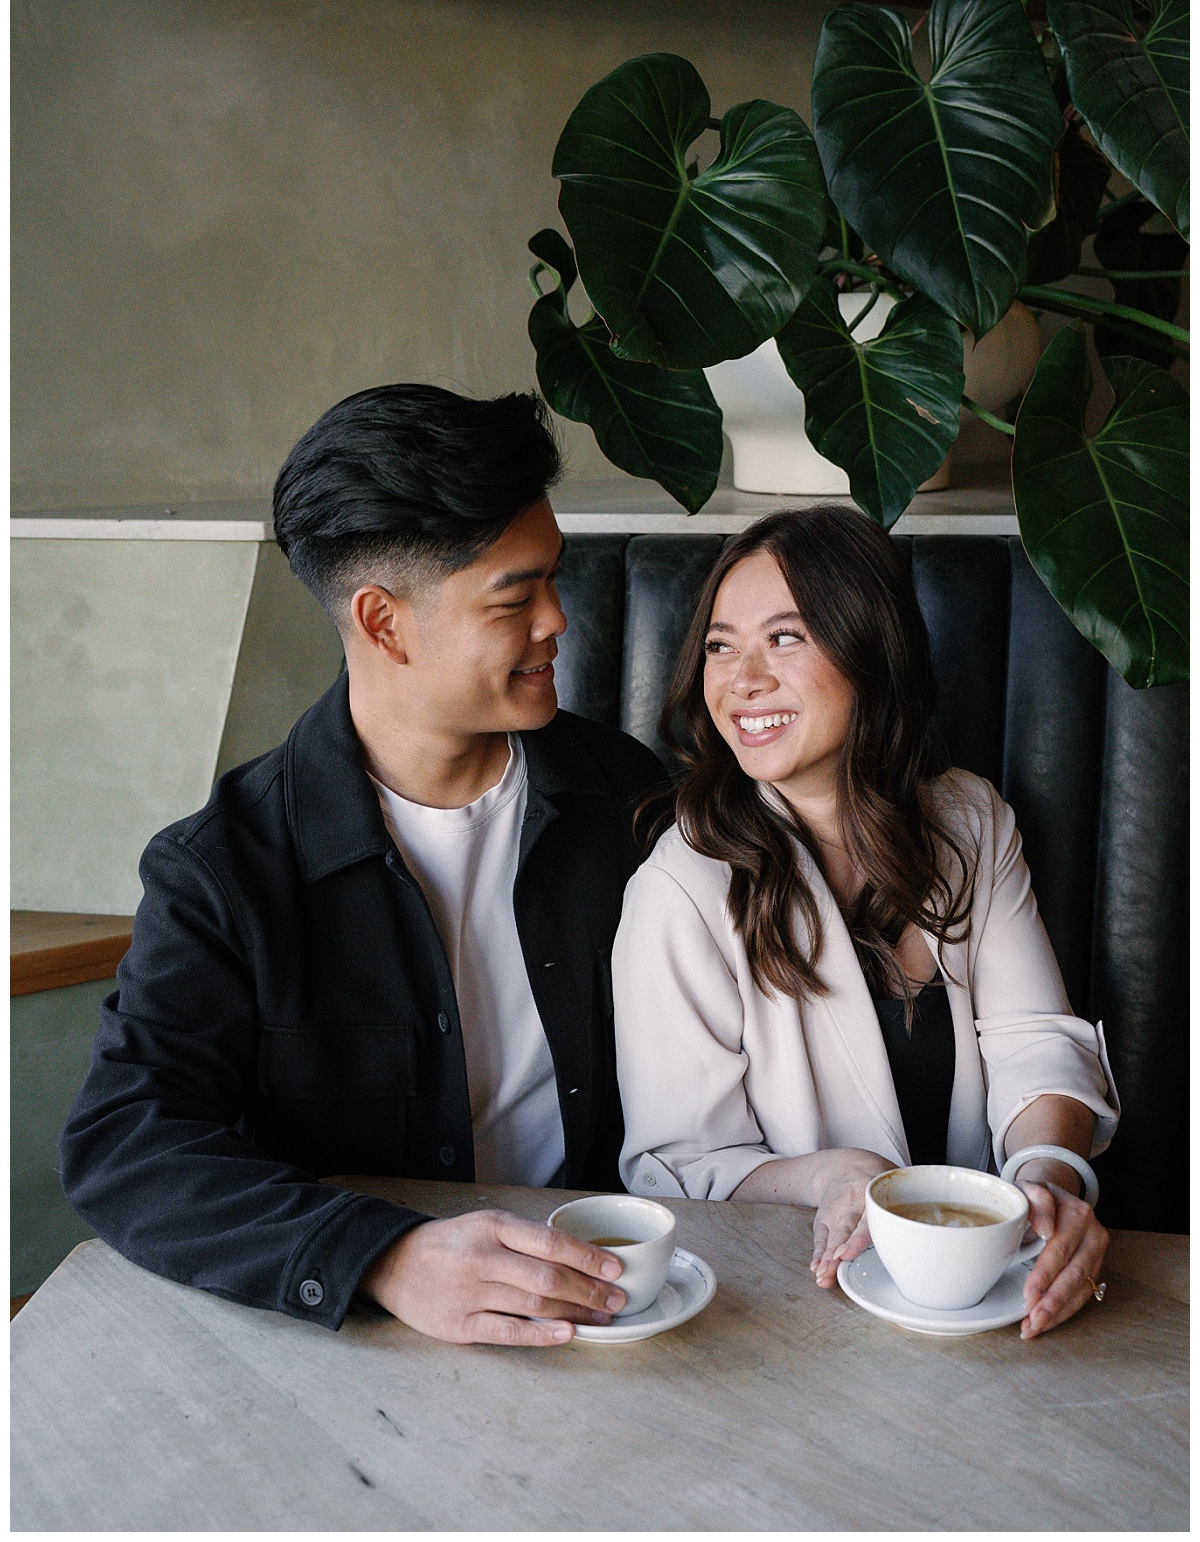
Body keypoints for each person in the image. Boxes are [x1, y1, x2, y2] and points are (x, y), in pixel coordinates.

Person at [61, 384, 667, 1346]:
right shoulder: (223, 870)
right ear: (383, 622)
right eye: (516, 596)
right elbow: (128, 1144)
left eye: (556, 576)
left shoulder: (629, 799)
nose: (560, 619)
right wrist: (381, 1256)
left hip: (619, 1304)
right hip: (369, 1340)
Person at [612, 506, 1118, 1340]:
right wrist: (835, 1176)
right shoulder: (680, 885)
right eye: (719, 644)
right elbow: (676, 1164)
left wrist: (1047, 1183)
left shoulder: (970, 819)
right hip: (789, 1312)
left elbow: (1035, 1040)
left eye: (785, 637)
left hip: (989, 1295)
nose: (742, 678)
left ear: (869, 650)